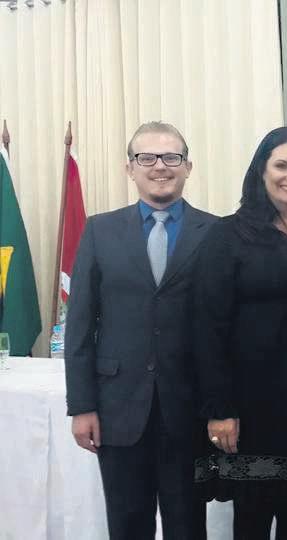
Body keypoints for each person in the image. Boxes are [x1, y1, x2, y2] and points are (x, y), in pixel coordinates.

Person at [192, 127, 287, 539]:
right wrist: (219, 408)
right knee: (252, 516)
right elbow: (208, 328)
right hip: (248, 405)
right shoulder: (226, 236)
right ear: (261, 171)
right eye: (282, 165)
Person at [65, 121, 216, 539]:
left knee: (188, 526)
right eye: (146, 157)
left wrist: (223, 405)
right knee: (127, 525)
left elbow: (223, 328)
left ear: (188, 167)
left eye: (171, 157)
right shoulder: (100, 230)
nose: (159, 166)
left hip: (189, 409)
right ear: (129, 167)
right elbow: (80, 325)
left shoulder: (216, 232)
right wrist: (81, 406)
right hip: (117, 409)